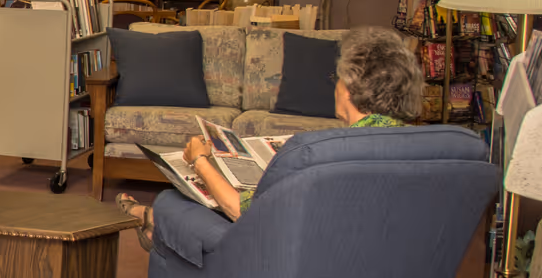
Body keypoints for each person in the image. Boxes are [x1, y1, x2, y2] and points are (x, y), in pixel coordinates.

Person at [119, 26, 423, 251]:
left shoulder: (326, 155)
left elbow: (239, 210)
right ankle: (149, 217)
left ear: (350, 89)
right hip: (355, 254)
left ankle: (151, 219)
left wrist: (199, 159)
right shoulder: (419, 146)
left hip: (280, 254)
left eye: (338, 78)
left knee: (172, 201)